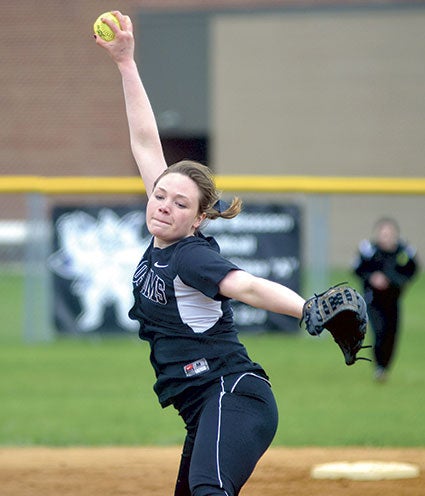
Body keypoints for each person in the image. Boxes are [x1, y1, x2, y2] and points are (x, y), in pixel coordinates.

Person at [95, 12, 307, 496]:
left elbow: (245, 285)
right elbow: (145, 140)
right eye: (160, 195)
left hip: (233, 395)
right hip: (208, 408)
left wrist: (308, 308)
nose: (165, 205)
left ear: (199, 219)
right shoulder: (165, 226)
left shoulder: (189, 254)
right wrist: (126, 62)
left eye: (180, 203)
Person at [352, 217, 419, 382]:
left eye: (390, 234)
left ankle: (384, 366)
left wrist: (396, 281)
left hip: (393, 299)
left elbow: (412, 270)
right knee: (379, 331)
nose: (386, 237)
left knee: (392, 333)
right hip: (373, 299)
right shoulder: (369, 250)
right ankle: (379, 367)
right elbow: (357, 269)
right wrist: (372, 278)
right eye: (383, 234)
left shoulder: (403, 251)